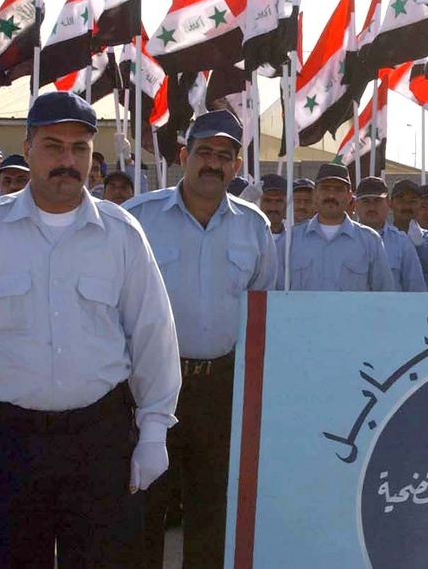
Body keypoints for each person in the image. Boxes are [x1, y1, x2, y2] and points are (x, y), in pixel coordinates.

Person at [0, 91, 180, 566]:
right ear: (30, 147)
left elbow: (153, 334)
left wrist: (154, 430)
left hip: (99, 442)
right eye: (53, 146)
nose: (67, 160)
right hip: (6, 444)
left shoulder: (122, 234)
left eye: (79, 148)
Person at [125, 108, 277, 569]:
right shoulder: (138, 218)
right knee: (143, 507)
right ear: (183, 155)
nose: (213, 163)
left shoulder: (254, 226)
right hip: (147, 388)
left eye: (225, 155)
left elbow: (262, 311)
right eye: (204, 151)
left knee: (213, 510)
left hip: (220, 389)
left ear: (236, 165)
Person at [278, 164, 394, 291]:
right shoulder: (290, 240)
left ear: (349, 196)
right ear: (315, 194)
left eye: (338, 189)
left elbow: (384, 296)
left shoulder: (370, 241)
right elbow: (276, 294)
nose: (331, 196)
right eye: (325, 188)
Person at [354, 176, 427, 292]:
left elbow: (416, 292)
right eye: (366, 201)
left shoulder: (402, 243)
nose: (372, 207)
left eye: (377, 201)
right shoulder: (344, 241)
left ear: (388, 204)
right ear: (355, 205)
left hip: (392, 310)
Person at [389, 179, 428, 291]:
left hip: (423, 305)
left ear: (419, 205)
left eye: (413, 201)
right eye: (401, 200)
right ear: (390, 203)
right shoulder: (379, 239)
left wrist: (419, 245)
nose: (407, 206)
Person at [258, 173, 287, 240]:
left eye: (279, 201)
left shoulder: (295, 238)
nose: (273, 207)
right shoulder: (246, 236)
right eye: (267, 200)